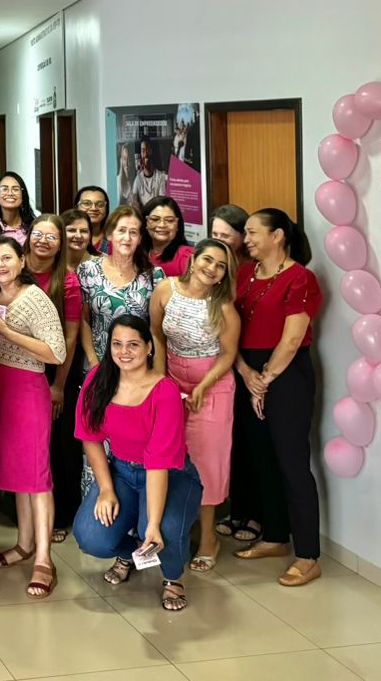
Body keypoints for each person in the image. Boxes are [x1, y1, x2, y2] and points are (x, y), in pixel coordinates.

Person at [72, 314, 202, 612]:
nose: (124, 352)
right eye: (117, 344)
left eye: (133, 344)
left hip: (169, 473)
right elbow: (89, 437)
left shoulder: (165, 390)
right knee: (91, 537)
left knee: (159, 533)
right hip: (120, 470)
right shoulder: (98, 379)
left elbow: (157, 463)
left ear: (149, 348)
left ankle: (172, 578)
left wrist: (152, 524)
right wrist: (105, 488)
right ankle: (130, 555)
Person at [231, 209, 324, 587]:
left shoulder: (300, 277)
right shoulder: (243, 273)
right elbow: (228, 329)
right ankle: (274, 536)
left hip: (285, 375)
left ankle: (308, 554)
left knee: (292, 462)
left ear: (278, 236)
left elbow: (291, 338)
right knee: (260, 458)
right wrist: (244, 372)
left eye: (253, 233)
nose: (246, 239)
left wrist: (264, 380)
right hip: (247, 369)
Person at [0, 237, 66, 597]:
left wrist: (7, 332)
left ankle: (44, 559)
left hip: (27, 390)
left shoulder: (35, 298)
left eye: (6, 258)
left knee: (37, 473)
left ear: (21, 260)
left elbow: (56, 353)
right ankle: (24, 543)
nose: (0, 264)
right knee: (16, 471)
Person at [150, 239, 240, 572]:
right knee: (172, 457)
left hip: (212, 385)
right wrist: (161, 382)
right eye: (208, 259)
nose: (212, 268)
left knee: (206, 463)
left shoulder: (224, 306)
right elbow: (157, 335)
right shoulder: (165, 289)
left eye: (220, 265)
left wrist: (203, 385)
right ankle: (176, 530)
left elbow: (228, 353)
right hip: (172, 377)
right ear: (194, 259)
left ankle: (207, 538)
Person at [23, 214, 83, 544]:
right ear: (29, 236)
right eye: (39, 234)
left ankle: (60, 515)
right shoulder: (15, 267)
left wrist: (58, 384)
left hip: (55, 368)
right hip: (17, 366)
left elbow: (71, 338)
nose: (44, 241)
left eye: (52, 237)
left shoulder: (68, 281)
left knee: (57, 443)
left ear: (61, 244)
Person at [78, 205, 163, 368]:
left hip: (140, 365)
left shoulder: (154, 275)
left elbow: (157, 331)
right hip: (99, 363)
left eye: (133, 232)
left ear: (139, 239)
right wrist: (93, 362)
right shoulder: (88, 270)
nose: (127, 238)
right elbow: (84, 320)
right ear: (109, 234)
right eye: (121, 230)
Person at [143, 196, 194, 278]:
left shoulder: (188, 257)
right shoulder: (135, 250)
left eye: (169, 220)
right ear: (145, 223)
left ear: (178, 225)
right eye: (155, 219)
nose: (162, 225)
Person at [0, 171, 36, 244]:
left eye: (15, 189)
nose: (10, 193)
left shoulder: (34, 226)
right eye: (4, 189)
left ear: (23, 196)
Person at [130, 138, 168, 212]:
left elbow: (161, 202)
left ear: (152, 152)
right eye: (143, 151)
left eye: (148, 150)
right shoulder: (138, 179)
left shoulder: (160, 177)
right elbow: (134, 200)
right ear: (140, 154)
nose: (146, 154)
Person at [75, 185, 111, 255]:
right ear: (76, 207)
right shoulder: (66, 237)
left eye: (100, 204)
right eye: (86, 203)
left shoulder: (113, 238)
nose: (93, 208)